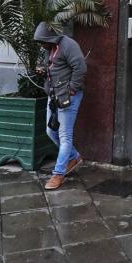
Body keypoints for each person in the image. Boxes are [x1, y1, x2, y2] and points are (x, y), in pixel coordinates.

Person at [34, 21, 87, 190]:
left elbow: (80, 67)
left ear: (50, 38)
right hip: (54, 95)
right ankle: (74, 157)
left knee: (65, 136)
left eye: (42, 41)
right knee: (51, 131)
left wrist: (72, 89)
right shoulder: (49, 49)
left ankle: (58, 174)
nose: (41, 45)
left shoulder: (68, 45)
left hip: (68, 97)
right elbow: (53, 68)